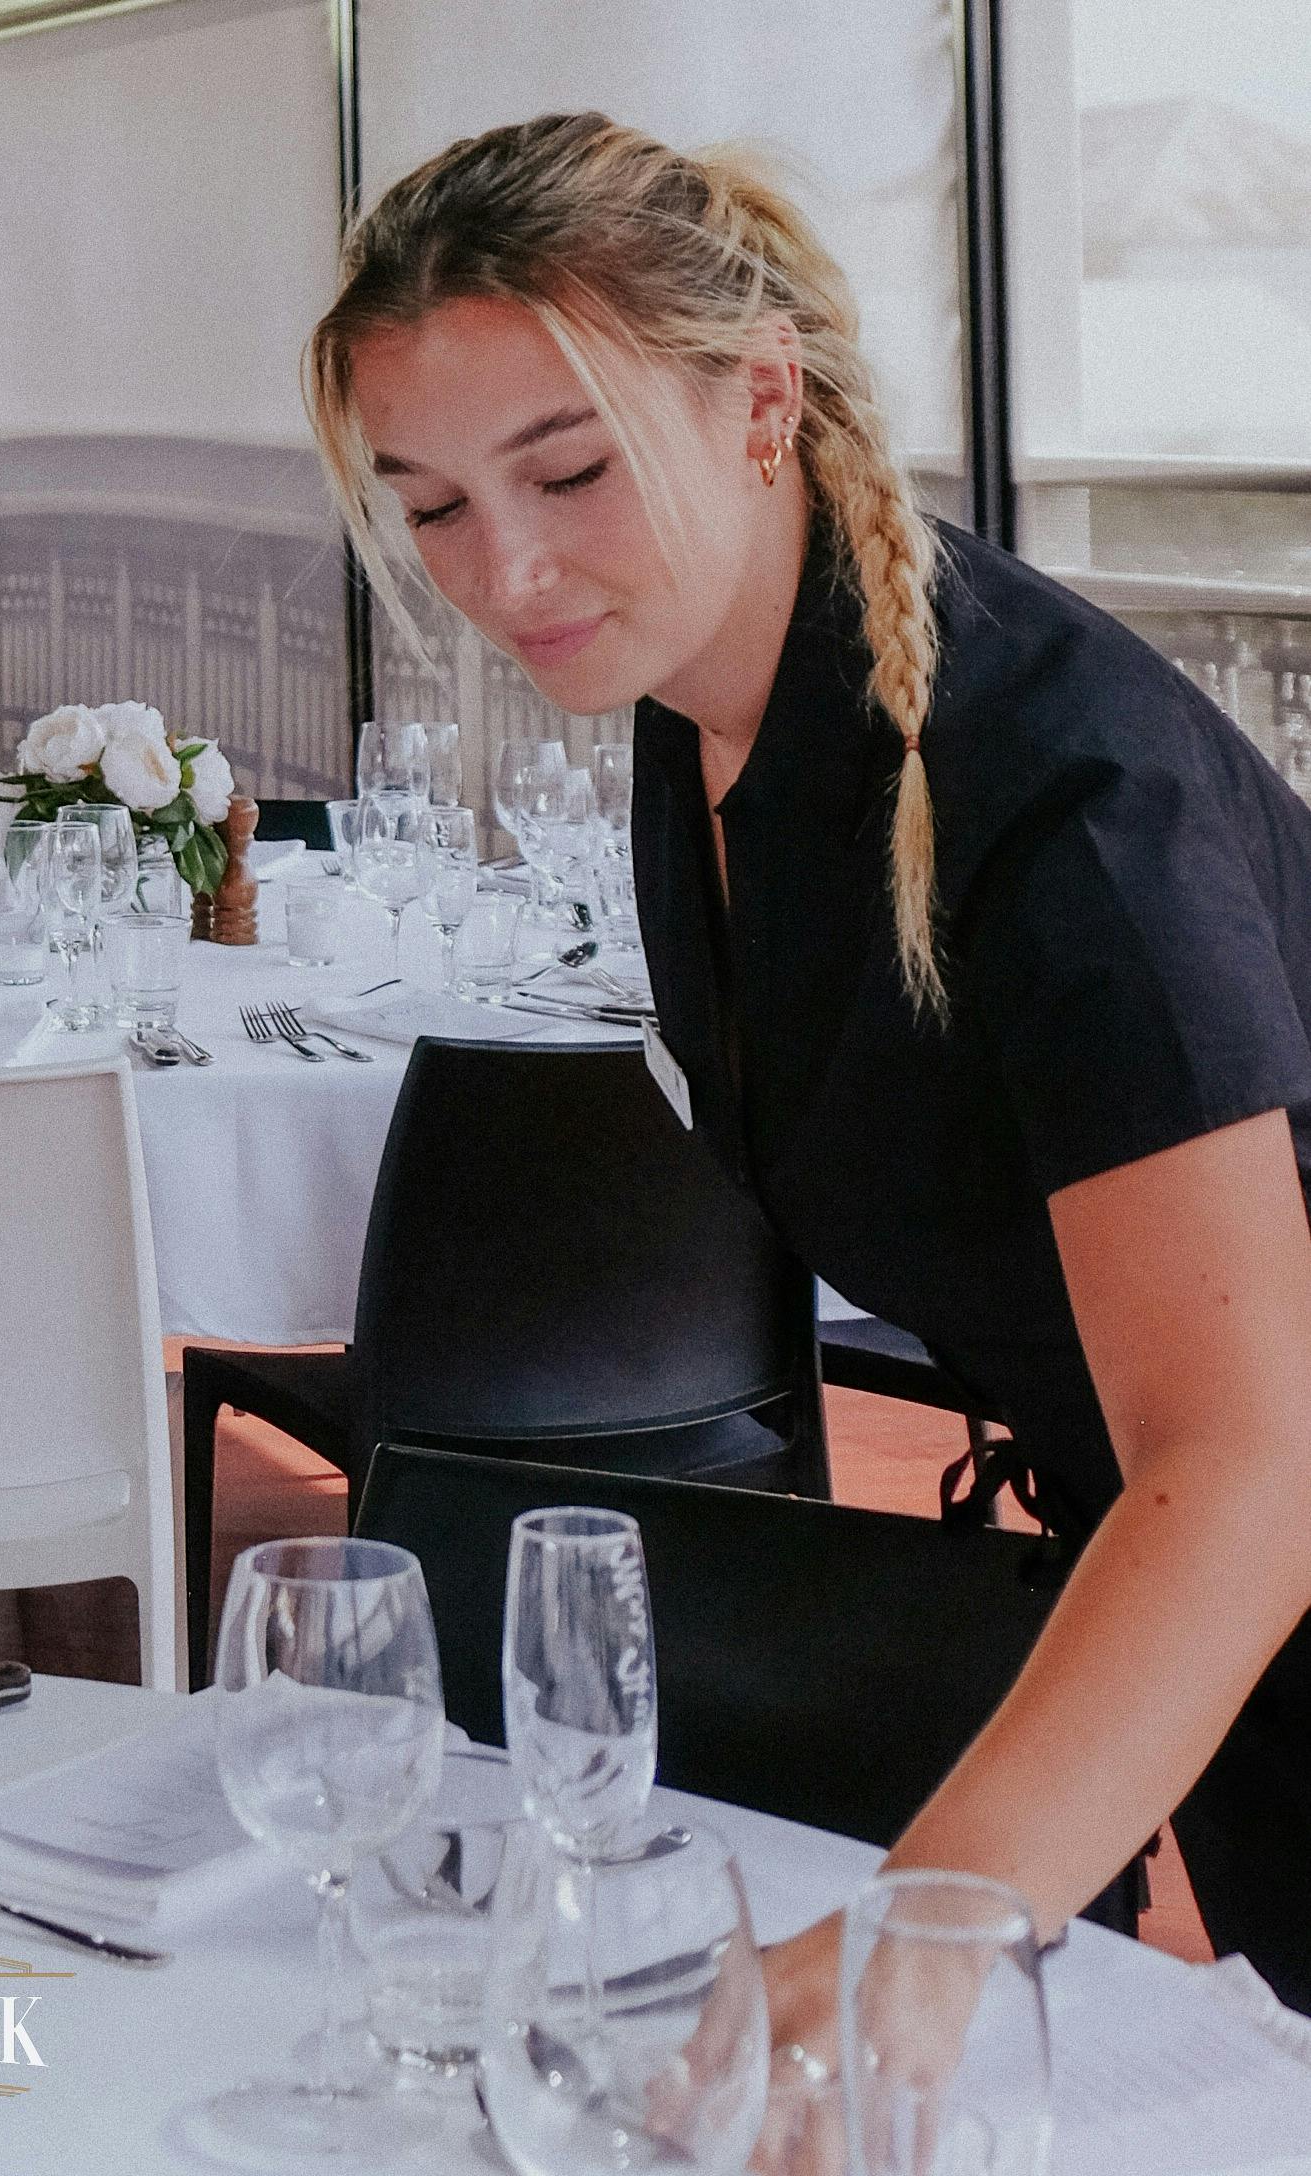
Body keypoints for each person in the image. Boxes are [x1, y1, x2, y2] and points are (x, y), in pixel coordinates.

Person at [304, 110, 1311, 2126]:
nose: (499, 573)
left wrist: (926, 1919)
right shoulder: (708, 728)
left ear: (757, 402)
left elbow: (1251, 1462)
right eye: (425, 506)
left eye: (566, 471)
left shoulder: (1060, 802)